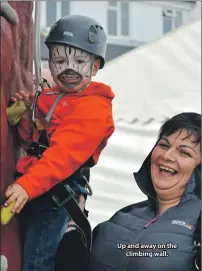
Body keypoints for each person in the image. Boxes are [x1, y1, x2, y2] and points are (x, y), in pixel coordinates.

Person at [3, 15, 115, 270]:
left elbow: (62, 156)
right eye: (60, 60)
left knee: (36, 261)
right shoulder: (52, 97)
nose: (69, 68)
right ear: (50, 61)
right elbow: (31, 142)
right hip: (37, 185)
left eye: (79, 61)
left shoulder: (93, 108)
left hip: (56, 193)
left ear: (95, 66)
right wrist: (24, 114)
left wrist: (27, 187)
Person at [87, 112, 200, 271]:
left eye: (184, 152)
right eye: (164, 145)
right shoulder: (125, 215)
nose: (167, 156)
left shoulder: (198, 225)